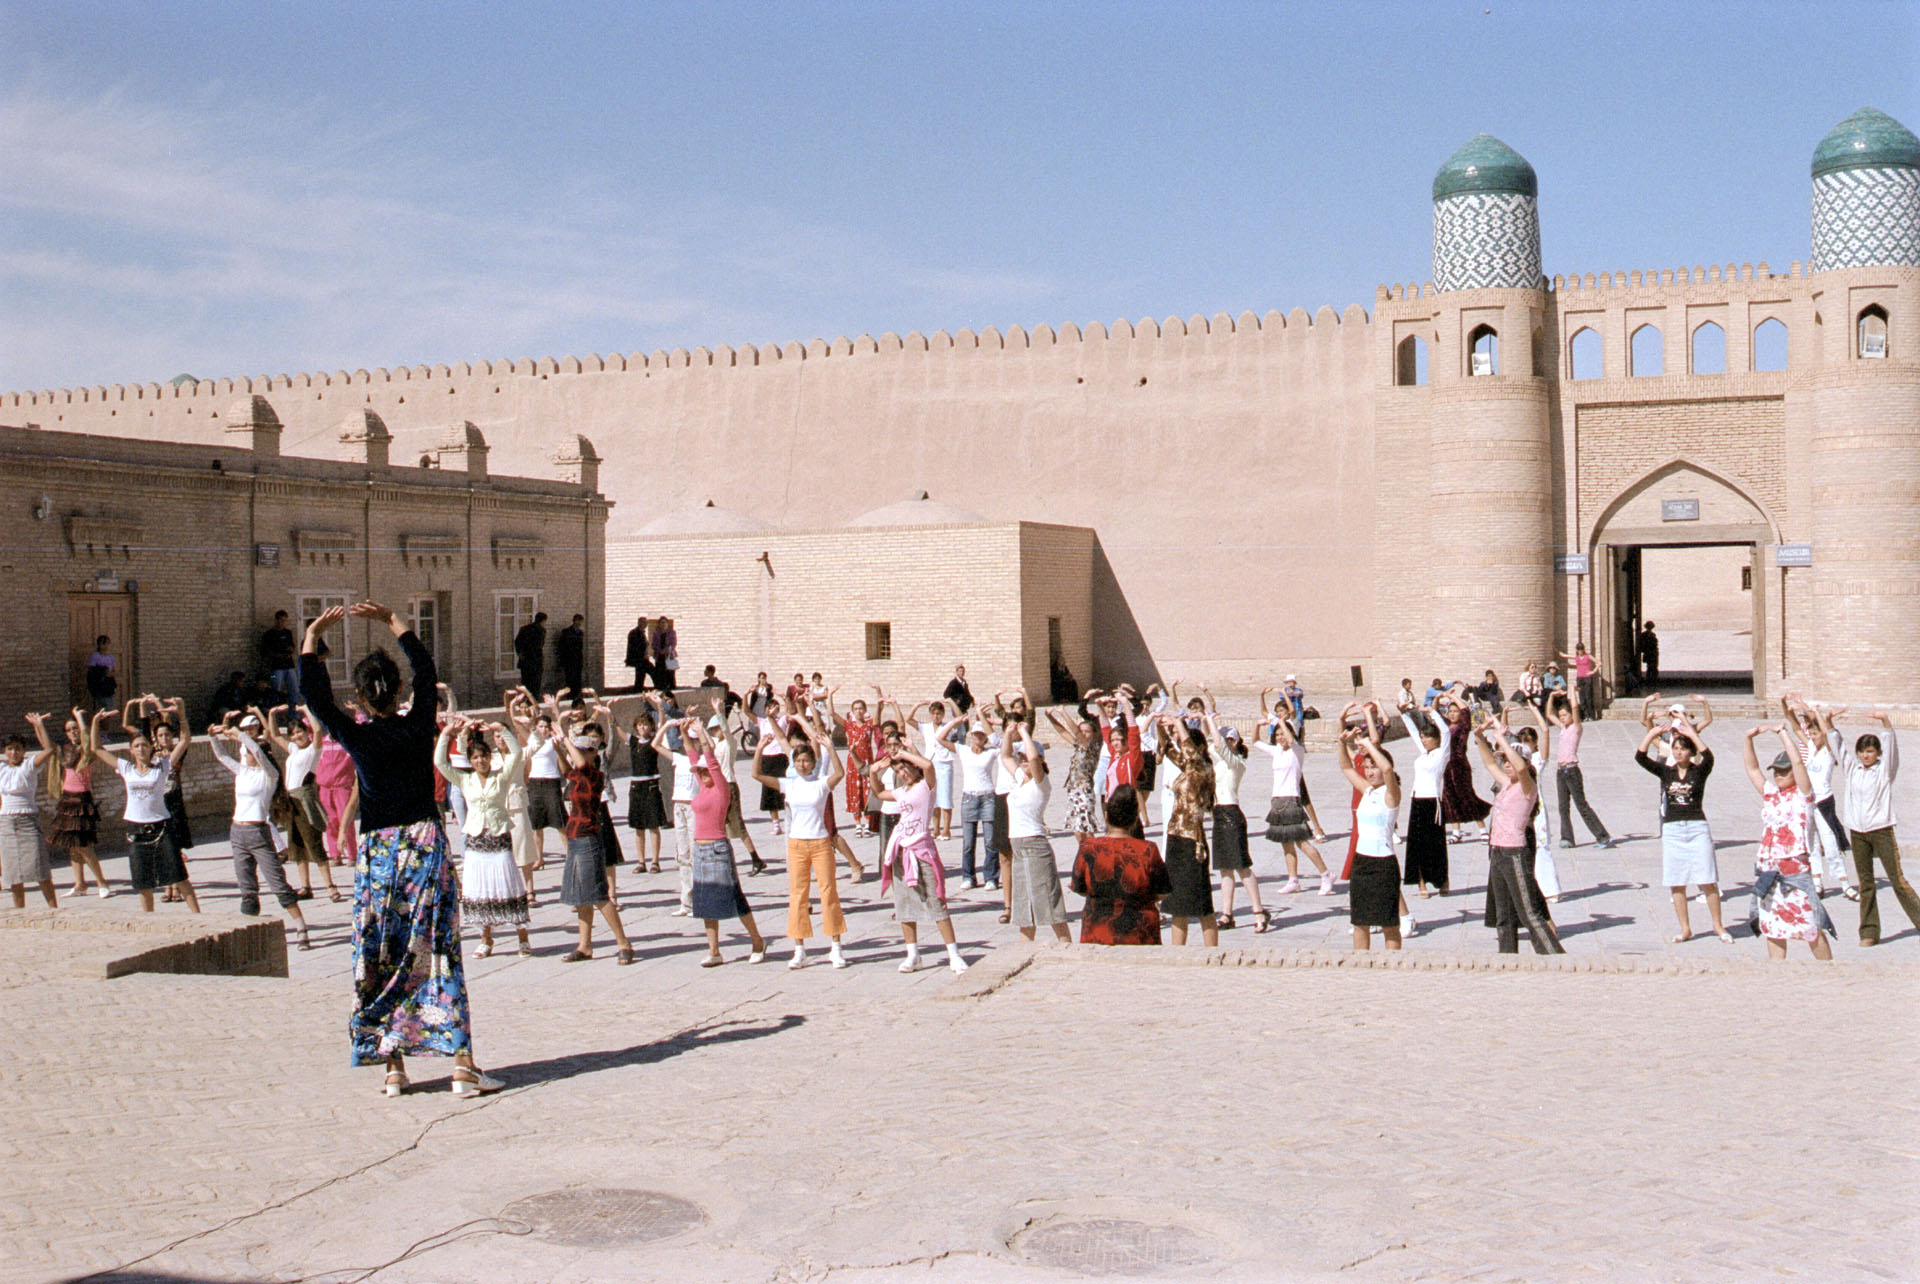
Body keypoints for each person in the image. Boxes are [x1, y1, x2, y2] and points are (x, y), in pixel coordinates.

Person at [301, 601, 499, 1097]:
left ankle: (394, 1068)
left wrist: (312, 638)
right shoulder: (418, 725)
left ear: (362, 701)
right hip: (424, 845)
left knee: (385, 954)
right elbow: (427, 671)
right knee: (439, 953)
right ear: (399, 693)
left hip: (379, 856)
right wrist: (394, 623)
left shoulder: (356, 736)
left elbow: (316, 698)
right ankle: (461, 1066)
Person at [209, 714, 312, 950]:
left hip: (258, 833)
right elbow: (223, 756)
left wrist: (242, 736)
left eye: (248, 752)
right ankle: (248, 935)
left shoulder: (269, 776)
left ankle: (301, 928)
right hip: (237, 833)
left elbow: (256, 750)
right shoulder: (243, 773)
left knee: (278, 884)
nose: (245, 755)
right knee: (247, 888)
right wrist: (212, 736)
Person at [91, 699, 200, 913]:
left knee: (178, 875)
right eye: (136, 746)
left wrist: (182, 714)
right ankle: (149, 918)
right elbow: (96, 748)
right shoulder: (126, 768)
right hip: (136, 829)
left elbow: (185, 739)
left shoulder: (162, 766)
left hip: (161, 826)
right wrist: (95, 722)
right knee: (143, 882)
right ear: (131, 751)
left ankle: (198, 916)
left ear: (151, 748)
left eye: (144, 745)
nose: (141, 749)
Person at [435, 715, 531, 958]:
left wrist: (501, 730)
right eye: (475, 758)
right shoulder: (464, 779)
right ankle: (485, 939)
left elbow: (517, 754)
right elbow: (440, 763)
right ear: (470, 761)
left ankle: (522, 937)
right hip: (476, 839)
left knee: (507, 883)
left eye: (483, 757)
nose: (480, 761)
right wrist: (447, 735)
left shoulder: (501, 776)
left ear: (490, 758)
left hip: (498, 836)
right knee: (480, 888)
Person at [548, 700, 635, 965]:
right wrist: (558, 748)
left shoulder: (594, 775)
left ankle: (624, 942)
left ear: (592, 754)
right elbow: (566, 770)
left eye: (584, 751)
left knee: (597, 892)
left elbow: (578, 764)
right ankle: (585, 945)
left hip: (588, 835)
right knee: (580, 894)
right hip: (576, 836)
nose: (581, 754)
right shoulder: (579, 774)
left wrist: (564, 737)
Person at [870, 742, 968, 973]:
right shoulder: (901, 791)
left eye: (905, 769)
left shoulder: (926, 786)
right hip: (902, 848)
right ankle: (912, 953)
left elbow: (928, 765)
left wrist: (903, 753)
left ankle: (953, 953)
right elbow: (879, 793)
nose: (903, 774)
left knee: (936, 900)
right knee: (904, 903)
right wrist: (875, 772)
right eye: (899, 772)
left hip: (922, 849)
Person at [1634, 713, 1730, 944]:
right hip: (1673, 829)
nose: (1678, 752)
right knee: (1676, 881)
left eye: (1683, 749)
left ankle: (1718, 926)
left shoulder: (1699, 771)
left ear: (1690, 752)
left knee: (1707, 879)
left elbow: (1708, 756)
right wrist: (1653, 733)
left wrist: (1690, 732)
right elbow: (1640, 757)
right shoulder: (1665, 771)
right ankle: (1685, 928)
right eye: (1675, 748)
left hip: (1697, 827)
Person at [1740, 724, 1834, 960]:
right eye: (1777, 771)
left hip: (1795, 868)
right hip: (1769, 867)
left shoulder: (1804, 795)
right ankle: (1776, 974)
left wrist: (1783, 734)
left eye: (1785, 771)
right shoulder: (1771, 793)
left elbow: (1800, 763)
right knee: (1773, 925)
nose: (1779, 775)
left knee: (1810, 925)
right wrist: (1748, 738)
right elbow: (1752, 769)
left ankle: (1829, 970)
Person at [680, 719, 769, 966]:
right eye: (699, 772)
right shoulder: (702, 784)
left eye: (704, 771)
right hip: (700, 849)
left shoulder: (720, 788)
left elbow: (710, 761)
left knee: (734, 898)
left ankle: (757, 941)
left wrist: (700, 733)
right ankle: (714, 951)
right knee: (705, 902)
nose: (701, 773)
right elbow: (692, 756)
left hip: (718, 849)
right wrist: (684, 734)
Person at [1472, 718, 1564, 954]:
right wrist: (1481, 738)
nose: (1506, 765)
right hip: (1498, 853)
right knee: (1503, 916)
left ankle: (1556, 959)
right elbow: (1490, 765)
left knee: (1529, 913)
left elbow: (1522, 769)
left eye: (1510, 760)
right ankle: (1508, 961)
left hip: (1515, 853)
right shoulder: (1506, 785)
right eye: (1506, 761)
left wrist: (1500, 737)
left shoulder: (1528, 786)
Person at [1835, 711, 1917, 948]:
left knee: (1897, 880)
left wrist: (1885, 723)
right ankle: (1869, 931)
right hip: (1858, 832)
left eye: (1870, 751)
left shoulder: (1884, 770)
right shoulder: (1853, 769)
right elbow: (1837, 746)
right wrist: (1829, 722)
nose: (1865, 755)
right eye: (1862, 751)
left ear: (1878, 753)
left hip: (1881, 829)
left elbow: (1892, 750)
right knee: (1865, 882)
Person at [1069, 785, 1170, 944]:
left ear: (1107, 816)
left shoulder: (1088, 847)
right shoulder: (1148, 850)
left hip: (1098, 932)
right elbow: (1163, 891)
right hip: (1139, 935)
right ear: (1135, 819)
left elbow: (1079, 888)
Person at [1335, 709, 1402, 951]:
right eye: (1367, 767)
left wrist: (1368, 745)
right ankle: (1361, 966)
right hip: (1362, 862)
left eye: (1373, 766)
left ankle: (1393, 967)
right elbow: (1345, 768)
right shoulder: (1368, 791)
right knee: (1360, 921)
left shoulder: (1391, 794)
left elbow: (1386, 770)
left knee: (1388, 923)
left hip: (1383, 864)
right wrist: (1341, 743)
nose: (1371, 771)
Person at [260, 707, 342, 903]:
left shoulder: (313, 750)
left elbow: (319, 731)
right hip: (291, 801)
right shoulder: (294, 750)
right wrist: (271, 714)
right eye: (294, 733)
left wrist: (306, 711)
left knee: (313, 843)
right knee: (296, 845)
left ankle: (330, 885)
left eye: (300, 732)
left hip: (304, 800)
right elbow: (275, 735)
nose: (297, 736)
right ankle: (305, 886)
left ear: (307, 733)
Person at [1200, 696, 1268, 932]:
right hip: (1218, 815)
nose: (1227, 743)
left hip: (1231, 815)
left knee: (1242, 866)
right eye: (1226, 738)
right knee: (1224, 869)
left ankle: (1258, 912)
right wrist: (1204, 722)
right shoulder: (1219, 763)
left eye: (1232, 739)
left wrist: (1209, 721)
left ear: (1237, 743)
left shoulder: (1237, 763)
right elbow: (1208, 746)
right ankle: (1226, 914)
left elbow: (1217, 746)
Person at [1001, 719, 1071, 942]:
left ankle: (1067, 948)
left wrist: (1024, 733)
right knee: (1024, 910)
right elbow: (1005, 756)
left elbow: (1032, 757)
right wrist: (1008, 734)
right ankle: (1024, 952)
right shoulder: (1021, 780)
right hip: (1019, 847)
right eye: (1021, 758)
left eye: (1026, 758)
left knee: (1049, 906)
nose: (1023, 761)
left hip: (1035, 846)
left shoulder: (1041, 783)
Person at [1257, 688, 1332, 896]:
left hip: (1292, 800)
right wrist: (1259, 725)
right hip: (1277, 801)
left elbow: (1290, 740)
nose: (1280, 737)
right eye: (1278, 734)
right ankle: (1293, 879)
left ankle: (1325, 874)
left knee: (1301, 842)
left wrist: (1281, 720)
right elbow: (1255, 743)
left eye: (1283, 733)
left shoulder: (1296, 751)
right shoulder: (1277, 752)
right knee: (1285, 843)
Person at [1154, 713, 1218, 946]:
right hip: (1176, 837)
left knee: (1201, 903)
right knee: (1176, 901)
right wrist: (1160, 726)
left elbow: (1188, 750)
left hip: (1193, 841)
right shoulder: (1189, 768)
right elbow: (1166, 748)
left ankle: (1211, 951)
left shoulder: (1203, 769)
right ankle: (1176, 951)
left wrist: (1178, 723)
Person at [1783, 696, 1854, 899]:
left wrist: (1814, 711)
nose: (1813, 737)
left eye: (1816, 734)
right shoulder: (1812, 749)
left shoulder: (1829, 753)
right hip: (1808, 801)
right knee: (1810, 841)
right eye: (1811, 734)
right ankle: (1817, 881)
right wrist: (1785, 706)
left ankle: (1844, 883)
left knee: (1830, 842)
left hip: (1823, 802)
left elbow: (1826, 731)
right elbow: (1796, 727)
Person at [51, 708, 111, 897]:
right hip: (67, 799)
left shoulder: (87, 751)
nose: (73, 732)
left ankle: (102, 883)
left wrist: (80, 718)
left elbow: (87, 741)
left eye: (75, 728)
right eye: (69, 730)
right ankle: (80, 883)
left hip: (81, 799)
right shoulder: (64, 750)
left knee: (84, 845)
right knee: (72, 845)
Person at [2, 716, 58, 908]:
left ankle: (53, 909)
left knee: (39, 868)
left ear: (23, 750)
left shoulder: (29, 765)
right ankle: (20, 911)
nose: (14, 752)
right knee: (13, 873)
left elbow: (49, 749)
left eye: (17, 748)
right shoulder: (1, 769)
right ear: (5, 751)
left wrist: (39, 725)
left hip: (27, 821)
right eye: (10, 748)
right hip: (6, 823)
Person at [1399, 698, 1453, 898]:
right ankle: (1421, 882)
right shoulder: (1424, 753)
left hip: (1433, 802)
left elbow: (1446, 731)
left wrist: (1434, 712)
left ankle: (1442, 880)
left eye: (1428, 737)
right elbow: (1413, 733)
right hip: (1417, 801)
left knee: (1436, 844)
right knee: (1417, 843)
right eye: (1423, 737)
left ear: (1436, 739)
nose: (1424, 740)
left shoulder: (1441, 754)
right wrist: (1404, 714)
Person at [1546, 689, 1614, 850]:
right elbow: (1549, 714)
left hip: (1572, 771)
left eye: (1565, 715)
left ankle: (1603, 836)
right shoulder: (1563, 728)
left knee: (1581, 805)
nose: (1562, 718)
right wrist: (1551, 696)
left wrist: (1571, 692)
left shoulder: (1576, 728)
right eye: (1561, 715)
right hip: (1561, 771)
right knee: (1563, 807)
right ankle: (1567, 838)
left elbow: (1575, 709)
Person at [1044, 701, 1102, 837]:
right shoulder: (1079, 746)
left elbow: (1075, 731)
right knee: (1076, 825)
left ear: (1094, 733)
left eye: (1087, 731)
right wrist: (1050, 717)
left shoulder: (1091, 747)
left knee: (1086, 826)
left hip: (1084, 789)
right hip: (1073, 789)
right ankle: (1082, 852)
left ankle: (1091, 853)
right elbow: (1063, 732)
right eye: (1082, 731)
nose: (1083, 734)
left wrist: (1063, 712)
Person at [907, 699, 959, 843]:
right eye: (934, 713)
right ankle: (935, 828)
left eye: (939, 713)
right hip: (930, 762)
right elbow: (909, 719)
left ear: (943, 714)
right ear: (930, 714)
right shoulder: (926, 727)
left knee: (945, 796)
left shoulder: (948, 726)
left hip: (945, 763)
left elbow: (960, 718)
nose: (936, 716)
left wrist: (950, 703)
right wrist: (917, 705)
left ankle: (946, 829)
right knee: (933, 796)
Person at [625, 708, 667, 873]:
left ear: (651, 727)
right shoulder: (633, 742)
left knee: (653, 825)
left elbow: (662, 725)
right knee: (638, 827)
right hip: (636, 787)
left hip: (651, 786)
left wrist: (659, 707)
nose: (642, 728)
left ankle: (655, 861)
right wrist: (608, 714)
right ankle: (641, 861)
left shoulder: (654, 741)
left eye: (646, 725)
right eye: (640, 725)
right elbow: (616, 730)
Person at [261, 610, 299, 704]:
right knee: (275, 690)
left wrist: (291, 650)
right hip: (276, 667)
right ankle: (275, 714)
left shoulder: (287, 633)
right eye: (280, 620)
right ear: (276, 620)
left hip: (289, 665)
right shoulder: (269, 634)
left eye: (284, 620)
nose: (282, 623)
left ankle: (293, 714)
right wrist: (279, 655)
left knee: (293, 689)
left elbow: (292, 646)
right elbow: (266, 652)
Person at [1558, 643, 1598, 719]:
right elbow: (1566, 656)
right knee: (1581, 697)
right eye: (1579, 650)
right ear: (1577, 650)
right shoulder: (1577, 657)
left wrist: (1592, 671)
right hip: (1579, 678)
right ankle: (1585, 715)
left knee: (1588, 697)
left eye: (1581, 649)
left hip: (1587, 678)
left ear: (1583, 649)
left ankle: (1591, 716)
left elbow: (1599, 663)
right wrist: (1561, 654)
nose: (1580, 651)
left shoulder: (1588, 656)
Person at [514, 611, 547, 697]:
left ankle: (525, 701)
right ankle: (533, 703)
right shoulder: (541, 630)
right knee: (535, 686)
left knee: (526, 684)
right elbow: (540, 645)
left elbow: (517, 642)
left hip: (525, 661)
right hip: (535, 662)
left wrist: (520, 653)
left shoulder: (524, 629)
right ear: (543, 621)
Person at [556, 614, 586, 703]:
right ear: (574, 621)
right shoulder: (566, 632)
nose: (579, 623)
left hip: (577, 660)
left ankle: (577, 697)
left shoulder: (580, 633)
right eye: (578, 621)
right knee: (569, 679)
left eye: (580, 621)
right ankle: (570, 697)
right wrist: (561, 660)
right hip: (568, 660)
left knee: (577, 679)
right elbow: (561, 646)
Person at [84, 635, 118, 709]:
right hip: (99, 684)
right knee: (101, 706)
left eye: (107, 644)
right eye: (103, 643)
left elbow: (114, 670)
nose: (106, 646)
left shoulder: (110, 657)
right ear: (99, 645)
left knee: (110, 706)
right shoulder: (95, 656)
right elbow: (91, 669)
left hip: (108, 684)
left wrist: (111, 674)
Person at [649, 615, 678, 692]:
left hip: (669, 655)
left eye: (665, 623)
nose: (663, 624)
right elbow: (653, 644)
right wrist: (659, 651)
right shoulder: (656, 633)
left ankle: (672, 689)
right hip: (659, 656)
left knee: (670, 674)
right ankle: (661, 689)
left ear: (667, 624)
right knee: (660, 673)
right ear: (659, 624)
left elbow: (673, 643)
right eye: (661, 623)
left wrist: (666, 650)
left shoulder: (672, 632)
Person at [624, 616, 652, 692]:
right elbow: (635, 646)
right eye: (643, 622)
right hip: (638, 658)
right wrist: (643, 654)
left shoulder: (642, 632)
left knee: (641, 674)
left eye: (646, 623)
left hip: (642, 658)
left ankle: (639, 688)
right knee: (649, 671)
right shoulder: (634, 633)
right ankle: (639, 689)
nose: (645, 624)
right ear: (639, 622)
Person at [1637, 621, 1661, 688]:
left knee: (1651, 668)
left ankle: (1651, 681)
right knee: (1651, 668)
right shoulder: (1647, 635)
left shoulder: (1648, 634)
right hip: (1650, 653)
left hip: (1651, 653)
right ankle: (1651, 681)